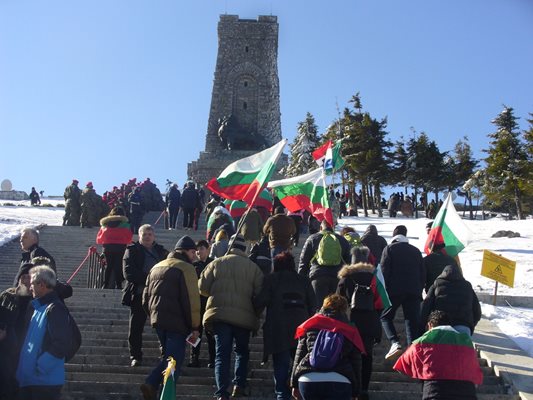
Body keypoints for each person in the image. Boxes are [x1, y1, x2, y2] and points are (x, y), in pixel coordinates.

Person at [199, 234, 264, 400]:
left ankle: (222, 392)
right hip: (244, 318)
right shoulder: (253, 268)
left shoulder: (216, 263)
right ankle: (238, 385)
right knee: (242, 352)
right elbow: (259, 295)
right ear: (245, 249)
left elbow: (203, 288)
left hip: (220, 315)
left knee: (222, 354)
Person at [140, 236, 201, 400]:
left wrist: (153, 316)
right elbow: (192, 300)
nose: (195, 255)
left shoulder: (157, 266)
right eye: (193, 251)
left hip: (158, 321)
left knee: (168, 357)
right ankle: (156, 386)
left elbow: (145, 298)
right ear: (185, 252)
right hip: (178, 323)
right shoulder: (186, 268)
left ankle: (156, 389)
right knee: (174, 361)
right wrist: (195, 326)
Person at [253, 252, 316, 400]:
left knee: (280, 364)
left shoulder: (271, 279)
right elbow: (313, 305)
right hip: (301, 329)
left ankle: (282, 394)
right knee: (300, 363)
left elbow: (260, 301)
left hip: (278, 329)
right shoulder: (304, 280)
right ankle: (299, 391)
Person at [393, 310, 483, 400]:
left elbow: (402, 366)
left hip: (436, 392)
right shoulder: (465, 341)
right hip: (468, 393)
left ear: (430, 325)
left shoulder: (423, 341)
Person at [290, 294, 363, 400]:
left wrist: (294, 384)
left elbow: (299, 355)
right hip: (340, 379)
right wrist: (356, 391)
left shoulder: (311, 324)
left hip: (308, 379)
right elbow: (356, 361)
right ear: (345, 309)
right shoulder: (350, 328)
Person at [16, 266, 71, 400]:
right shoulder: (37, 308)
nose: (30, 287)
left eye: (33, 283)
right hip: (30, 380)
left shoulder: (55, 308)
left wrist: (40, 366)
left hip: (43, 383)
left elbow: (62, 343)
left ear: (42, 285)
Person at [337, 252, 384, 400]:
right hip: (370, 323)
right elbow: (382, 304)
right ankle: (364, 390)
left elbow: (337, 303)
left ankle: (351, 388)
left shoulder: (345, 279)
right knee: (367, 356)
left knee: (349, 355)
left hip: (350, 323)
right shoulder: (375, 279)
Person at [123, 224, 169, 367]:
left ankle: (166, 354)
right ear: (139, 236)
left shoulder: (161, 252)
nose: (147, 236)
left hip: (159, 294)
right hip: (139, 293)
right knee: (136, 326)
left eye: (150, 234)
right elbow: (128, 273)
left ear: (154, 236)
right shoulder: (132, 250)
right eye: (144, 234)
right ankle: (135, 355)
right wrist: (150, 279)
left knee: (163, 325)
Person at [380, 225, 424, 359]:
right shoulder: (416, 251)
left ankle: (395, 342)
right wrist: (419, 289)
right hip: (414, 292)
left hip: (394, 291)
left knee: (385, 317)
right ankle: (412, 353)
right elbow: (423, 273)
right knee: (411, 322)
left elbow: (384, 271)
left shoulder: (389, 249)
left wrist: (384, 291)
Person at [0, 263, 33, 400]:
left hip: (27, 346)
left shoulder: (37, 299)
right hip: (7, 346)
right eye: (23, 277)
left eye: (29, 277)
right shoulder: (7, 296)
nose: (26, 280)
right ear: (19, 278)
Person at [298, 220, 351, 307]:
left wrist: (301, 281)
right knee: (334, 308)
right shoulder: (342, 240)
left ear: (320, 228)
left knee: (318, 307)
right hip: (336, 277)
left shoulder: (312, 238)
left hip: (317, 277)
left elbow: (303, 261)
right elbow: (348, 262)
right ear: (333, 228)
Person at [420, 264, 481, 336]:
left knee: (440, 347)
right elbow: (477, 311)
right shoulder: (467, 286)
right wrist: (470, 324)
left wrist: (423, 326)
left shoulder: (437, 284)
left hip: (440, 325)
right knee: (461, 347)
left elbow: (426, 306)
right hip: (463, 326)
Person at [189, 240, 215, 368]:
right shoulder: (193, 266)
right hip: (197, 304)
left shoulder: (214, 264)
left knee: (211, 333)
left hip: (210, 304)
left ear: (208, 249)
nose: (199, 252)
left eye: (202, 249)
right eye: (197, 250)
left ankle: (213, 359)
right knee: (195, 332)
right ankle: (194, 357)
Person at [96, 206, 133, 289]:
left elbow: (99, 238)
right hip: (120, 248)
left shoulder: (105, 224)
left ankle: (105, 285)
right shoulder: (125, 224)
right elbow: (129, 238)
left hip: (107, 248)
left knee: (108, 266)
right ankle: (119, 285)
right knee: (118, 266)